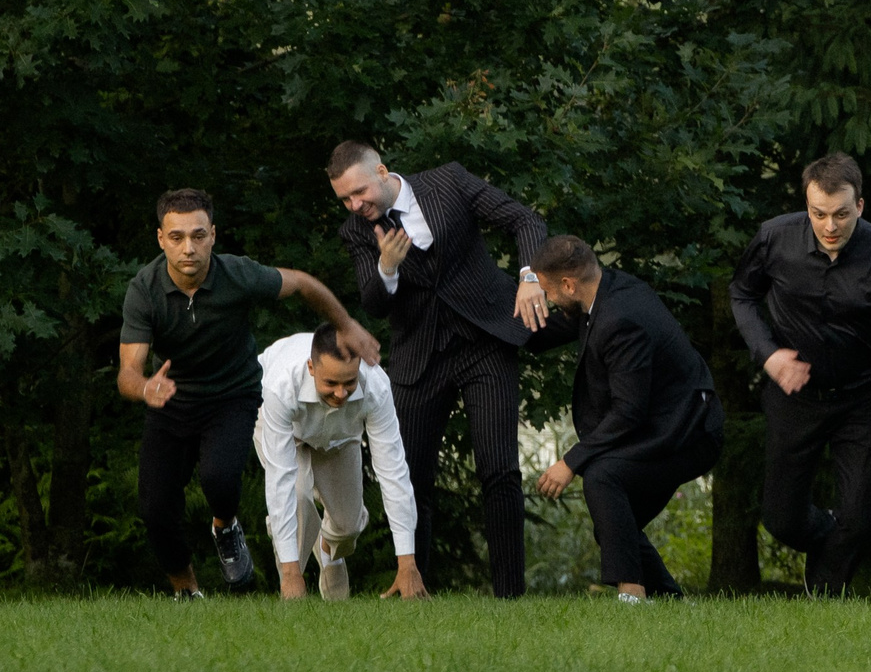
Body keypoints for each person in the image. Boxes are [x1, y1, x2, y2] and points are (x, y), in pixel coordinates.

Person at [120, 187, 378, 596]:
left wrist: (346, 325)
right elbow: (128, 372)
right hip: (169, 401)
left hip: (231, 397)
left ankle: (225, 526)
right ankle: (187, 591)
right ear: (160, 238)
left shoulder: (237, 274)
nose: (188, 247)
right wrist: (145, 386)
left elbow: (304, 284)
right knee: (155, 508)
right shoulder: (145, 289)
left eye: (198, 235)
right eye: (177, 237)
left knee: (220, 479)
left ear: (213, 235)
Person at [327, 142, 550, 597]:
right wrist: (386, 268)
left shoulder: (448, 182)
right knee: (410, 479)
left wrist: (529, 278)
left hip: (485, 340)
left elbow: (526, 220)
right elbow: (373, 304)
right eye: (345, 200)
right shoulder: (356, 232)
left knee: (499, 470)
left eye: (359, 193)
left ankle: (510, 597)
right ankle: (415, 587)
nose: (355, 206)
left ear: (383, 172)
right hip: (419, 357)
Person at [729, 153, 871, 594]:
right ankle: (828, 537)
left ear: (861, 207)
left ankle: (825, 602)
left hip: (865, 398)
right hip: (796, 395)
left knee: (859, 520)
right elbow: (741, 293)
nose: (830, 226)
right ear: (807, 205)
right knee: (781, 519)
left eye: (842, 215)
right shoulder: (775, 239)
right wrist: (768, 354)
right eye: (819, 214)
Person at [526, 236, 724, 602]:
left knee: (603, 478)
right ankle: (669, 599)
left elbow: (628, 412)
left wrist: (569, 462)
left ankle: (631, 594)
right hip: (667, 422)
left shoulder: (621, 320)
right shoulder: (603, 291)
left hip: (690, 431)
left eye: (550, 292)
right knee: (616, 523)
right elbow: (555, 330)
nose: (549, 301)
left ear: (569, 284)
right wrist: (503, 332)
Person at [255, 324, 424, 602]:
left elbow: (393, 472)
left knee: (348, 525)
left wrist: (407, 563)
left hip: (340, 436)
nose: (341, 393)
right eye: (331, 383)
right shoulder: (280, 385)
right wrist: (290, 574)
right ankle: (292, 585)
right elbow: (279, 482)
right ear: (312, 368)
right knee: (297, 498)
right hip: (286, 430)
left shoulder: (376, 388)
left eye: (349, 382)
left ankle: (328, 551)